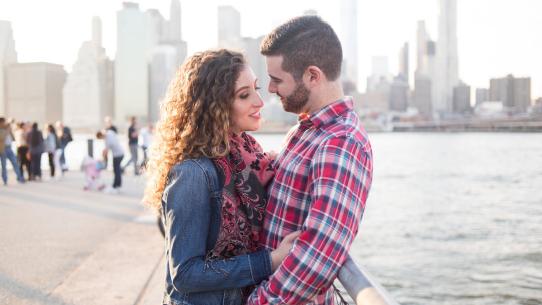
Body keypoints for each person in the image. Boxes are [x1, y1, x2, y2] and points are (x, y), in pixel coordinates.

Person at [143, 49, 300, 305]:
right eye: (244, 95)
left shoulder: (248, 157)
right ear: (214, 105)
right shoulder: (193, 174)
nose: (259, 102)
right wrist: (269, 261)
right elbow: (184, 274)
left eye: (256, 89)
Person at [246, 16, 373, 305]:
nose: (270, 89)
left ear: (312, 76)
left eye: (277, 80)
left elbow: (320, 252)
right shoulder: (304, 131)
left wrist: (259, 302)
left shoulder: (341, 142)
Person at [96, 128, 124, 194]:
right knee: (117, 170)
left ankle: (115, 185)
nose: (102, 139)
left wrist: (102, 159)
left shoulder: (107, 140)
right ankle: (117, 184)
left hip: (117, 155)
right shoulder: (110, 132)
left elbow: (105, 152)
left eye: (101, 138)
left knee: (116, 170)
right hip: (121, 152)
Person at [0, 118, 25, 184]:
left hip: (9, 148)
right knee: (4, 166)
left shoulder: (7, 129)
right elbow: (2, 137)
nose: (4, 123)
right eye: (3, 122)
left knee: (15, 163)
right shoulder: (2, 130)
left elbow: (13, 138)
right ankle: (5, 180)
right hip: (3, 149)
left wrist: (10, 130)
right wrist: (7, 131)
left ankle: (20, 178)